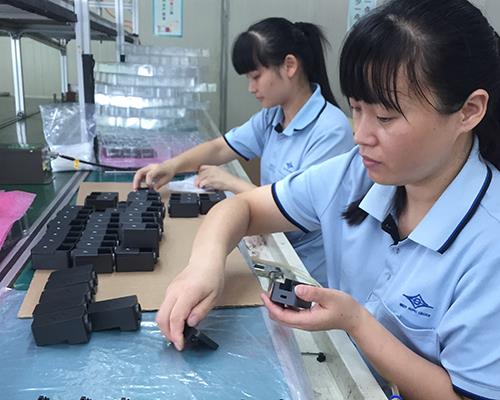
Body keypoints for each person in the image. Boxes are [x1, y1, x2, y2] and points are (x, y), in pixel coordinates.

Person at [155, 0, 500, 398]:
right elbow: (243, 207)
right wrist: (204, 265)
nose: (360, 135)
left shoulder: (489, 243)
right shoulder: (356, 174)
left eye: (385, 117)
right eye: (356, 109)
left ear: (468, 111)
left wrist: (356, 322)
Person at [133, 17, 353, 286]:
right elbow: (220, 147)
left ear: (289, 65)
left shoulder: (331, 130)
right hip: (274, 245)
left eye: (256, 76)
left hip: (307, 269)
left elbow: (298, 212)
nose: (251, 88)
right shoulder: (273, 116)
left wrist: (232, 183)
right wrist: (172, 166)